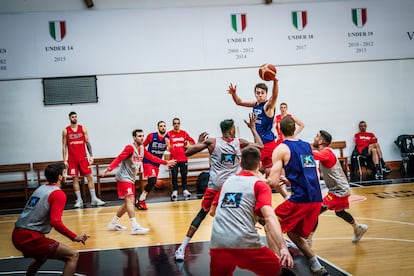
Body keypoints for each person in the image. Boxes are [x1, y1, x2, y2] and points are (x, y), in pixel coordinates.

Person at [175, 113, 264, 261]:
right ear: (232, 129)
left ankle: (182, 248)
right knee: (251, 211)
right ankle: (265, 242)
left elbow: (187, 152)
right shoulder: (237, 142)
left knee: (203, 215)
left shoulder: (213, 142)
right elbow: (260, 145)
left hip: (220, 186)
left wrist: (198, 143)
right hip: (229, 187)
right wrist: (253, 128)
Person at [209, 146, 293, 276]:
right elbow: (270, 218)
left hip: (218, 242)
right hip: (244, 243)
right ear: (259, 165)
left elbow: (213, 212)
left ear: (240, 164)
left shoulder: (227, 182)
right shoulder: (260, 185)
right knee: (279, 272)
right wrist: (283, 247)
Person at [267, 116, 329, 276]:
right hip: (316, 199)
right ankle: (316, 265)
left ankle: (275, 268)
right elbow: (309, 172)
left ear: (279, 130)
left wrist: (255, 181)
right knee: (293, 233)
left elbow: (273, 182)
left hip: (300, 199)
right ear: (295, 129)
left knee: (270, 225)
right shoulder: (306, 146)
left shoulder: (281, 148)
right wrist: (291, 180)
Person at [12, 162, 89, 276]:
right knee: (73, 255)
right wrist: (74, 237)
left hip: (17, 234)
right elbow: (55, 221)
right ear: (60, 177)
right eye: (64, 173)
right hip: (30, 238)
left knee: (41, 257)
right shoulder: (58, 194)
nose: (66, 175)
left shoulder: (41, 188)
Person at [102, 129, 176, 235]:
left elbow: (152, 158)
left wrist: (166, 162)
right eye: (139, 136)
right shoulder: (129, 148)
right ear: (134, 138)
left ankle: (114, 222)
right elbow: (119, 158)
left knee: (127, 202)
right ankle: (134, 226)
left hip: (130, 178)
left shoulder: (142, 149)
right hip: (123, 177)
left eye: (142, 136)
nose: (142, 138)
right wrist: (109, 169)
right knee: (130, 200)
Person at [309, 130, 368, 246]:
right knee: (339, 212)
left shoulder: (326, 152)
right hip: (338, 189)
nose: (314, 138)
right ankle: (358, 228)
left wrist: (302, 149)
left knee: (315, 210)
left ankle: (308, 240)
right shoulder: (325, 152)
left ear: (321, 141)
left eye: (316, 136)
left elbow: (314, 156)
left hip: (339, 190)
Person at [227, 78, 278, 176]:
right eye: (258, 93)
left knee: (250, 168)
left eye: (262, 93)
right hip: (261, 143)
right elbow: (239, 102)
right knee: (268, 171)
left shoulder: (268, 106)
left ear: (266, 94)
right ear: (255, 94)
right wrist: (233, 94)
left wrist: (275, 82)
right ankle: (273, 188)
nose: (260, 95)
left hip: (266, 144)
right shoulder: (255, 104)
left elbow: (275, 96)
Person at [62, 111, 105, 208]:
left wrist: (91, 155)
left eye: (75, 117)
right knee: (75, 179)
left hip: (83, 158)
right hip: (72, 159)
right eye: (73, 117)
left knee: (89, 177)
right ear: (69, 118)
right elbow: (64, 146)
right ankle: (79, 200)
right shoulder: (66, 131)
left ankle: (94, 199)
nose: (74, 118)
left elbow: (88, 142)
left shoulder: (82, 128)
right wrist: (64, 159)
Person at [136, 121, 169, 210]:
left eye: (164, 126)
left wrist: (169, 145)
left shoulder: (168, 137)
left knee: (152, 182)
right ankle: (141, 200)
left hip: (157, 163)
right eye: (161, 126)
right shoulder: (151, 136)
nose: (163, 127)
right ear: (158, 127)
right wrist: (140, 158)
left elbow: (170, 149)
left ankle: (140, 199)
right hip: (148, 161)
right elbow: (142, 146)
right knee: (153, 180)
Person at [167, 118, 196, 201]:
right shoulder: (169, 134)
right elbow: (166, 145)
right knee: (174, 176)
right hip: (173, 159)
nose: (176, 125)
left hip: (183, 158)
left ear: (180, 124)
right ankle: (175, 191)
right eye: (175, 123)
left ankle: (185, 190)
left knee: (184, 175)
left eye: (178, 123)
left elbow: (193, 142)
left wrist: (188, 145)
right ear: (173, 124)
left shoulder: (184, 133)